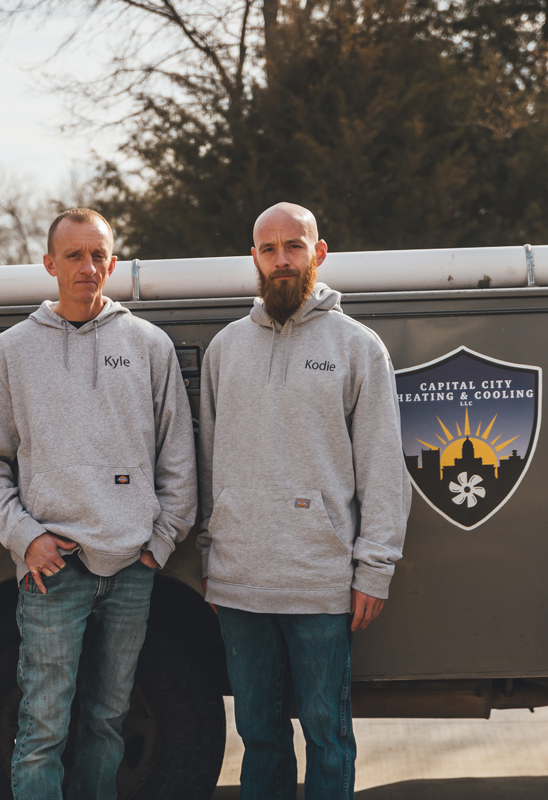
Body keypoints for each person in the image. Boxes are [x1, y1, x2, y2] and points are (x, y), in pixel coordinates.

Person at [0, 207, 197, 800]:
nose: (87, 267)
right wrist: (26, 539)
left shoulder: (148, 346)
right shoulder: (13, 353)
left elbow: (178, 460)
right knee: (41, 729)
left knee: (106, 722)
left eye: (98, 255)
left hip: (132, 568)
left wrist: (159, 543)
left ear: (112, 264)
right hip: (50, 570)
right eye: (74, 255)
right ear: (50, 264)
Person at [197, 202, 411, 800]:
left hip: (322, 583)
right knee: (259, 734)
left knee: (326, 732)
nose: (282, 259)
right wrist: (214, 562)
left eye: (295, 246)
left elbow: (382, 468)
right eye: (269, 249)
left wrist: (374, 568)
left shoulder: (357, 346)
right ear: (255, 260)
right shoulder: (225, 348)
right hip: (240, 585)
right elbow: (210, 467)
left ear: (319, 253)